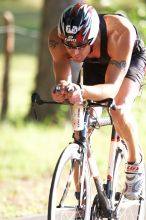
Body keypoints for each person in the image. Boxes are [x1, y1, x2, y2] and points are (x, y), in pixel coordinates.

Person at [48, 2, 146, 200]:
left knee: (117, 107)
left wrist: (82, 91)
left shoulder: (121, 32)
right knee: (80, 128)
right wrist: (62, 89)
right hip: (94, 61)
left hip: (128, 58)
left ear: (91, 37)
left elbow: (111, 89)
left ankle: (136, 161)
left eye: (80, 46)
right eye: (70, 46)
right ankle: (81, 197)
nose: (74, 54)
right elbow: (62, 78)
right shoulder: (57, 40)